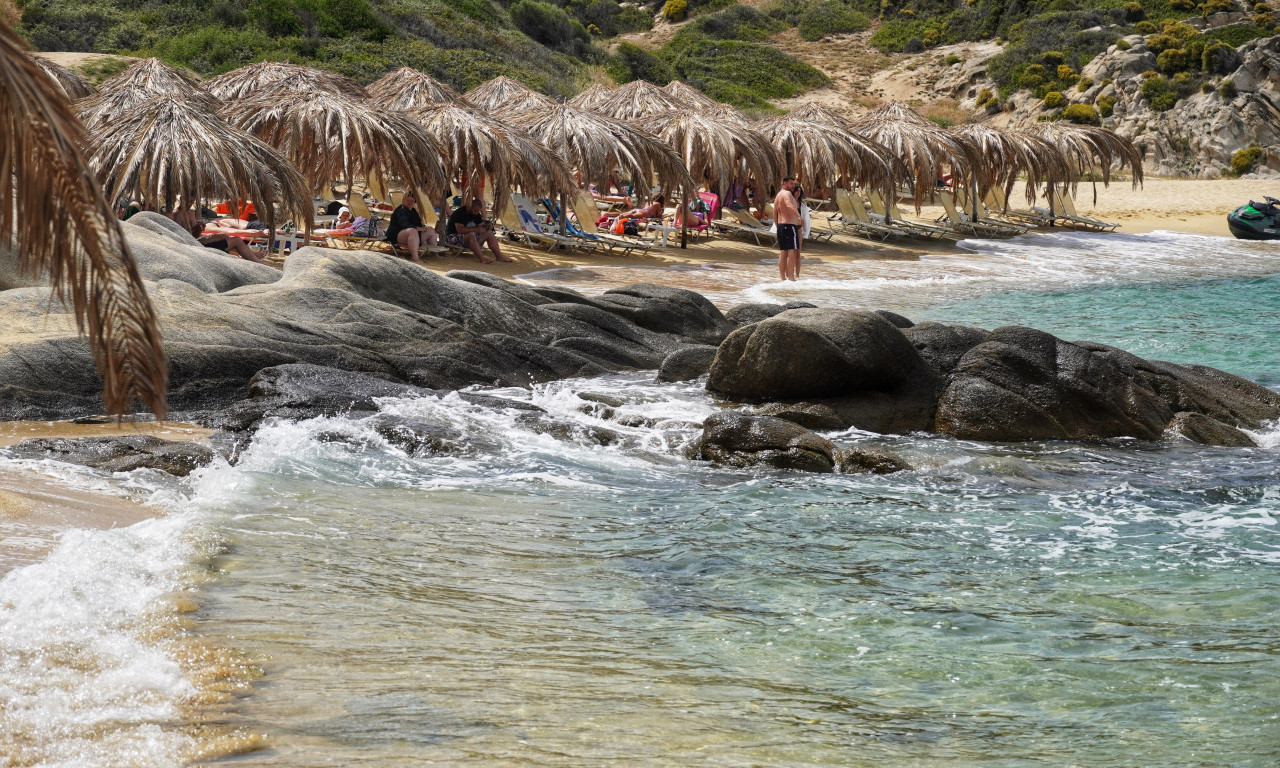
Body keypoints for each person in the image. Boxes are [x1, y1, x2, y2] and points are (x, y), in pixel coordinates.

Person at [447, 197, 511, 264]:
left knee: (489, 233)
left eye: (478, 211)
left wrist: (488, 226)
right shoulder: (460, 213)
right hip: (452, 237)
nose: (476, 213)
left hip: (470, 239)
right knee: (471, 234)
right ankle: (482, 259)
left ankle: (499, 256)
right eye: (475, 210)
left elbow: (481, 224)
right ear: (469, 206)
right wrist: (476, 229)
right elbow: (460, 230)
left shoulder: (476, 214)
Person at [385, 192, 437, 263]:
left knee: (430, 230)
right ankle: (415, 258)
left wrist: (424, 228)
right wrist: (419, 228)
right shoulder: (401, 210)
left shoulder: (413, 211)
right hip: (396, 234)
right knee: (412, 230)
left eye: (412, 201)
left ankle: (435, 254)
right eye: (408, 200)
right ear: (403, 200)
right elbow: (405, 225)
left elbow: (419, 224)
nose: (410, 202)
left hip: (413, 235)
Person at [773, 176, 802, 281]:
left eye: (793, 184)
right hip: (789, 226)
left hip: (781, 226)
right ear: (784, 184)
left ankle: (782, 278)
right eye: (790, 183)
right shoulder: (787, 194)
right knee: (791, 252)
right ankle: (791, 277)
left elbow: (774, 213)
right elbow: (789, 205)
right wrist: (798, 216)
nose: (793, 186)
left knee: (783, 252)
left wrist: (778, 226)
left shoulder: (778, 195)